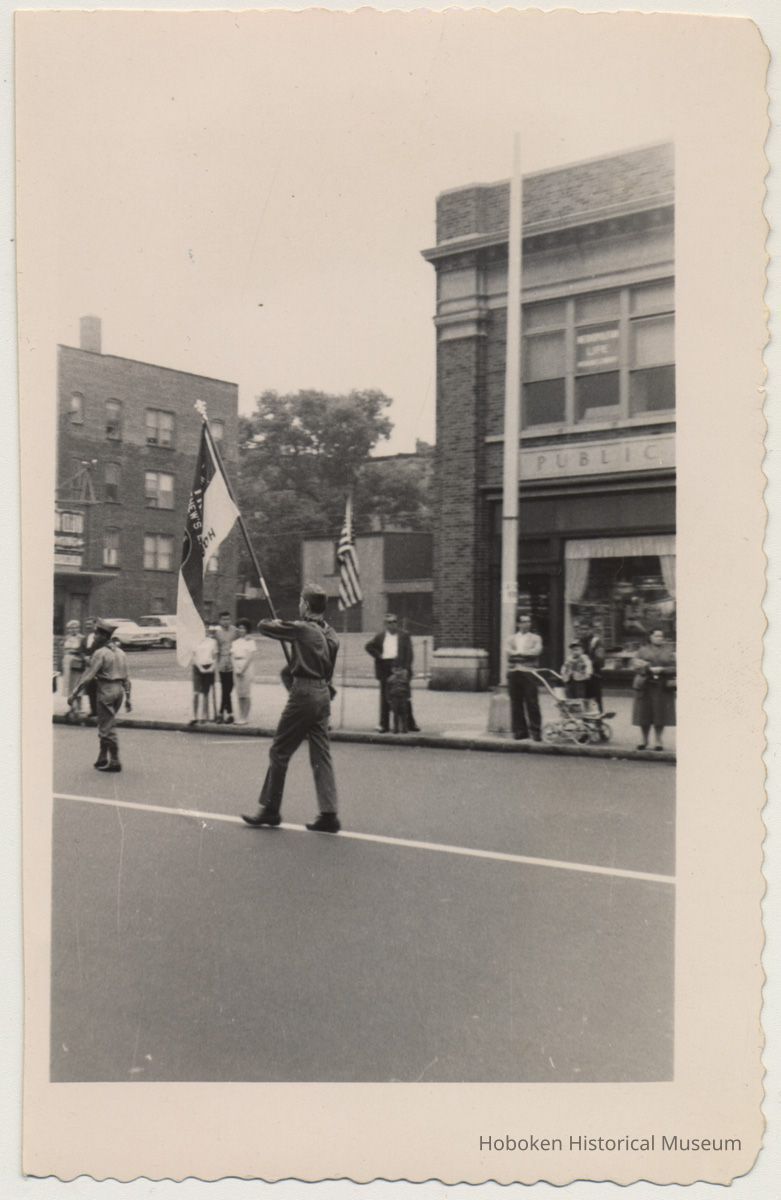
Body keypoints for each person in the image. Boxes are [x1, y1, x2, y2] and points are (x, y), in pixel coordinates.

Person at [241, 584, 341, 833]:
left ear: (306, 605)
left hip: (303, 693)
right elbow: (325, 668)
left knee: (280, 751)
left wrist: (273, 619)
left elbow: (265, 627)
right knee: (321, 756)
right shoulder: (332, 635)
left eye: (300, 601)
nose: (299, 605)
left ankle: (271, 809)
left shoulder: (303, 628)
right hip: (322, 693)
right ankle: (329, 813)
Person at [68, 619, 131, 771]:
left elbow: (88, 676)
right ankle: (102, 757)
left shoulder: (100, 653)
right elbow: (127, 678)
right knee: (106, 723)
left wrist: (74, 693)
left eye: (97, 633)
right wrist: (128, 698)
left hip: (106, 690)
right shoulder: (121, 652)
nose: (95, 636)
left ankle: (115, 761)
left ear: (104, 636)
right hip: (119, 692)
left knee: (107, 728)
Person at [365, 614, 420, 733]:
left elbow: (409, 653)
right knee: (386, 697)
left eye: (394, 622)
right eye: (389, 622)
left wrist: (406, 668)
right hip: (385, 667)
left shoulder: (404, 636)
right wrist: (379, 656)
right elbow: (368, 646)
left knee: (404, 695)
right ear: (385, 624)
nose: (392, 624)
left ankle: (410, 724)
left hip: (400, 667)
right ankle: (384, 724)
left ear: (397, 623)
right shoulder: (380, 637)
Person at [631, 628, 676, 751]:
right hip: (645, 684)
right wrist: (647, 669)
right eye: (657, 636)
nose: (659, 638)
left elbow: (676, 667)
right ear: (650, 637)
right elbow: (635, 666)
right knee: (644, 713)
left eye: (661, 636)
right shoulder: (642, 650)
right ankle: (644, 740)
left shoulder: (669, 651)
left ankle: (658, 740)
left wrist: (663, 670)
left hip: (662, 686)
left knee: (659, 713)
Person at [506, 613, 543, 741]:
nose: (527, 624)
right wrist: (522, 655)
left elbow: (536, 651)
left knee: (532, 702)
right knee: (516, 702)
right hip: (514, 672)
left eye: (528, 621)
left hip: (529, 672)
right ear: (518, 624)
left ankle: (536, 731)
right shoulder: (511, 638)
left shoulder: (536, 638)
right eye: (524, 622)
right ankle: (520, 731)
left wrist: (520, 654)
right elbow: (509, 653)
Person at [231, 619, 256, 725]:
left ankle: (245, 717)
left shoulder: (250, 641)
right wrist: (236, 668)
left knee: (246, 693)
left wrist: (243, 669)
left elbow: (250, 657)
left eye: (243, 628)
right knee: (239, 693)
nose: (241, 630)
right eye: (239, 628)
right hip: (236, 666)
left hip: (246, 666)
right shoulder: (235, 642)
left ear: (247, 629)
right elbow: (232, 655)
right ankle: (240, 716)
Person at [578, 618, 606, 711]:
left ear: (591, 630)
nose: (583, 631)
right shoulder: (579, 642)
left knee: (595, 700)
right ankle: (585, 721)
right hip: (581, 676)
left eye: (586, 629)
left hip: (594, 675)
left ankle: (598, 722)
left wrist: (588, 663)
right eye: (581, 629)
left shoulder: (596, 642)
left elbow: (600, 659)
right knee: (583, 699)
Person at [214, 610, 237, 723]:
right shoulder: (217, 633)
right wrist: (217, 665)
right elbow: (216, 650)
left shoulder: (235, 631)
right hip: (223, 661)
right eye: (223, 619)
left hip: (233, 662)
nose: (226, 621)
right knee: (225, 689)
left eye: (228, 619)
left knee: (229, 688)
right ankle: (228, 714)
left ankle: (221, 712)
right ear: (219, 621)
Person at [190, 629, 217, 725]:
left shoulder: (212, 642)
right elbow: (193, 657)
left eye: (205, 629)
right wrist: (200, 668)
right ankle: (195, 716)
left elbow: (215, 657)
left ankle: (204, 716)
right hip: (198, 668)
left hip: (208, 666)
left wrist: (212, 667)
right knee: (196, 692)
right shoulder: (194, 641)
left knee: (206, 692)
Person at [61, 620, 87, 717]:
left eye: (75, 627)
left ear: (79, 628)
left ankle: (79, 708)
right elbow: (64, 650)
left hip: (77, 664)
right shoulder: (66, 638)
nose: (73, 630)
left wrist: (76, 653)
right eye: (71, 628)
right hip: (67, 664)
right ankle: (71, 707)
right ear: (68, 629)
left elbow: (83, 651)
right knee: (69, 686)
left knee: (77, 685)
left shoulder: (82, 638)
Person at [82, 617, 99, 720]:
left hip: (98, 665)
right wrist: (84, 656)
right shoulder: (85, 637)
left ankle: (101, 711)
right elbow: (82, 649)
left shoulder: (100, 637)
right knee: (90, 689)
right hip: (88, 667)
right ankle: (93, 710)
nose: (88, 626)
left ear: (95, 625)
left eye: (90, 624)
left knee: (99, 689)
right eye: (86, 624)